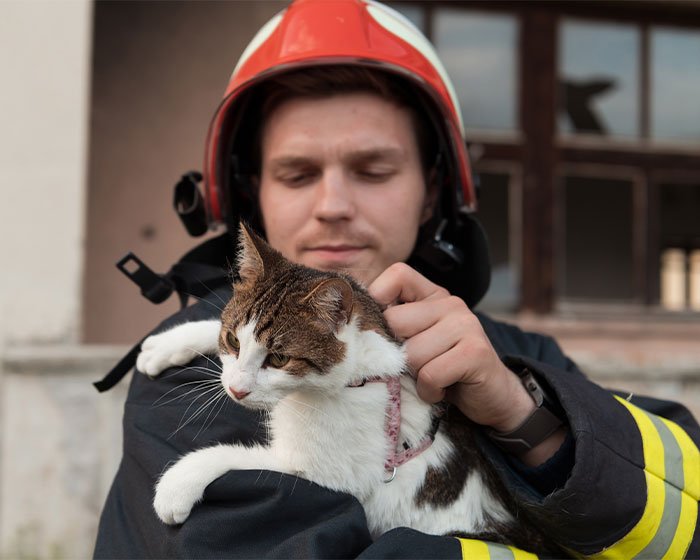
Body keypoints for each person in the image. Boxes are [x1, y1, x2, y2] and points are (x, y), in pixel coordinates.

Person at [93, 1, 700, 558]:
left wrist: (527, 418)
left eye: (373, 169)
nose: (333, 205)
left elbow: (685, 520)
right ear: (252, 193)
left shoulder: (521, 358)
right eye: (298, 174)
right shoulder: (190, 365)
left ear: (433, 190)